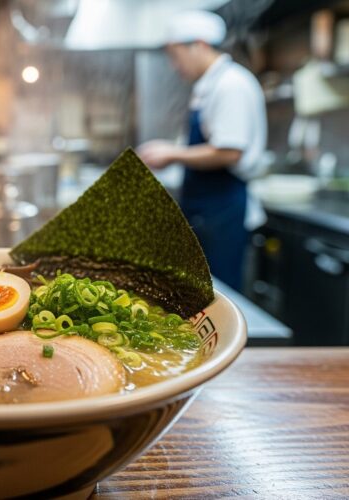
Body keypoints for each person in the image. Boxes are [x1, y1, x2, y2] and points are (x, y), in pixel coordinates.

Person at [138, 10, 266, 291]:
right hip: (205, 207)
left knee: (222, 294)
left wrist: (172, 153)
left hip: (224, 209)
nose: (174, 65)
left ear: (199, 45)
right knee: (202, 293)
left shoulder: (231, 84)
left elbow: (230, 152)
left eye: (176, 55)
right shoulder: (208, 86)